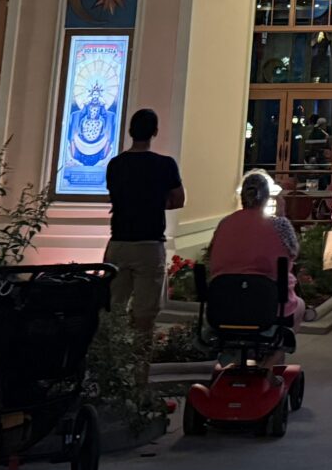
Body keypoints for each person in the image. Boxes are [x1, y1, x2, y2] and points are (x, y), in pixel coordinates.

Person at [103, 108, 184, 339]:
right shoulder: (165, 164)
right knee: (145, 314)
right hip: (149, 243)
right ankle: (140, 356)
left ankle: (111, 355)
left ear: (130, 131)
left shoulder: (115, 164)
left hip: (119, 242)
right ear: (154, 132)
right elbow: (178, 199)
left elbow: (115, 196)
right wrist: (154, 204)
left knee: (113, 308)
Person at [206, 169, 304, 331]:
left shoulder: (225, 223)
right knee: (299, 306)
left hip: (224, 304)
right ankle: (281, 345)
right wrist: (282, 216)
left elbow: (210, 254)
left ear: (242, 197)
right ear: (267, 198)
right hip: (267, 304)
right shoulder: (279, 225)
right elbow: (294, 252)